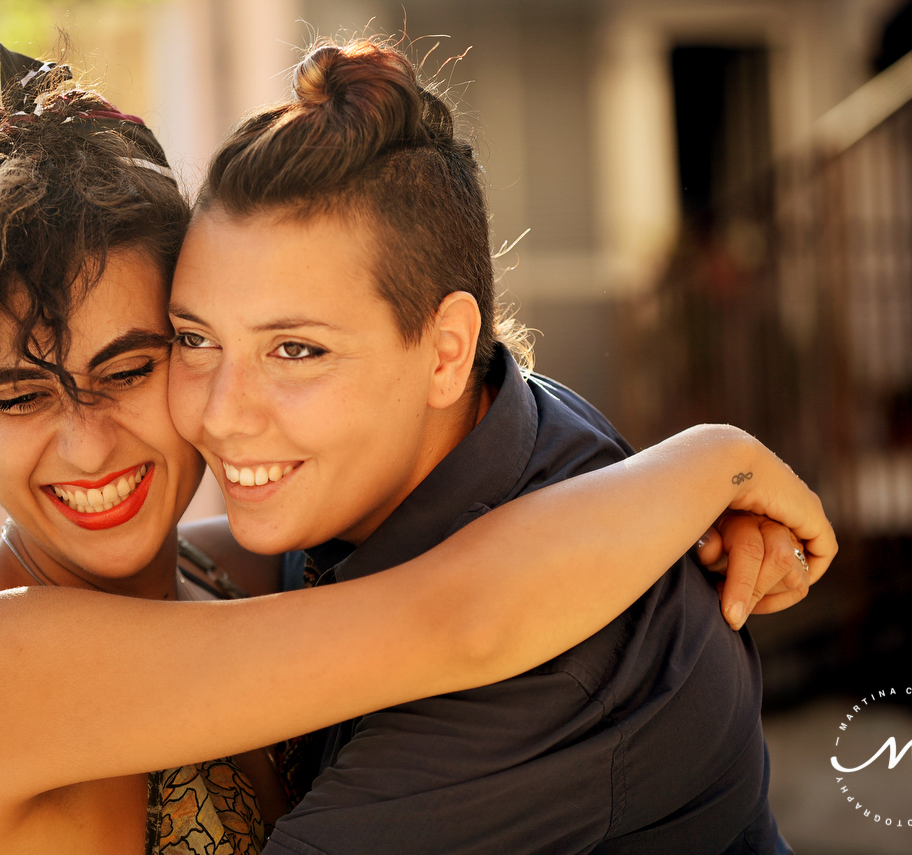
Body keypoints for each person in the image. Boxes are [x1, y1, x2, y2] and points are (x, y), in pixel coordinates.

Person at [0, 43, 834, 855]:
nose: (89, 444)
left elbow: (468, 522)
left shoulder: (228, 574)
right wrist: (711, 463)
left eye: (136, 366)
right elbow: (456, 618)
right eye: (18, 395)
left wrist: (676, 511)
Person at [167, 37, 814, 854]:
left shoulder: (572, 655)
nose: (222, 415)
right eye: (193, 338)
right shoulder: (467, 432)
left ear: (444, 352)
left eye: (296, 350)